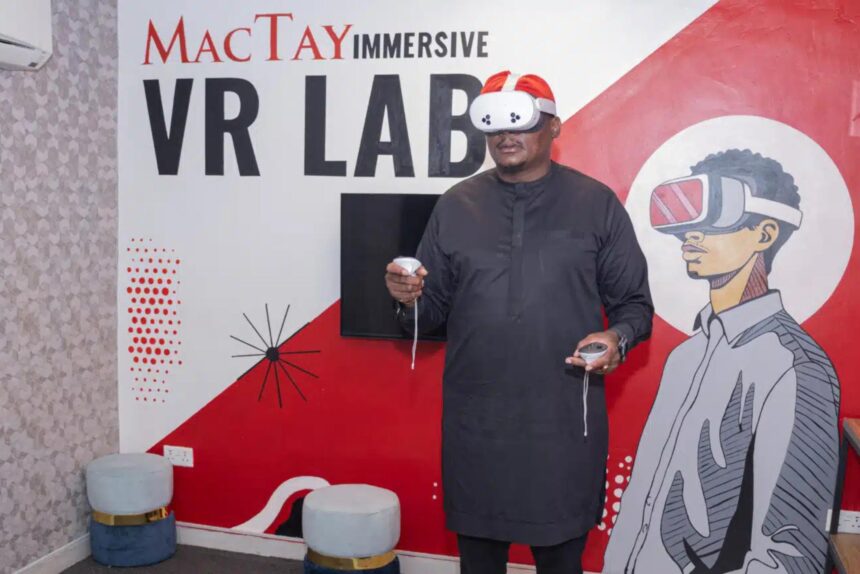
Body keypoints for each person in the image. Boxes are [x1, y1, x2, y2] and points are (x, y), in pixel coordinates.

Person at [384, 71, 653, 574]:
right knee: (479, 561)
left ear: (554, 127)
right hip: (477, 422)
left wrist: (617, 337)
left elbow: (635, 305)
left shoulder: (596, 204)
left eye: (520, 121)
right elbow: (429, 311)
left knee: (561, 559)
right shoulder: (455, 205)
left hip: (562, 421)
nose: (505, 135)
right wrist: (408, 300)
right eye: (494, 123)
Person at [604, 149, 841, 574]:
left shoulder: (795, 368)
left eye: (717, 217)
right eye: (688, 220)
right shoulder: (685, 358)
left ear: (765, 233)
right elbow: (642, 508)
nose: (691, 236)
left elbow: (788, 555)